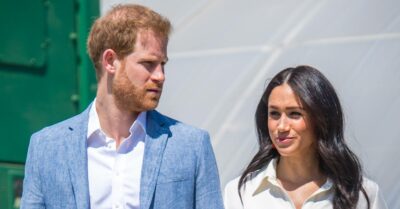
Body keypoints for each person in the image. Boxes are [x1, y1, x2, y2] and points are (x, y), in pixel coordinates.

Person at [21, 4, 224, 209]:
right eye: (148, 63)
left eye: (163, 64)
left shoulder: (191, 146)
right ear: (110, 61)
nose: (160, 76)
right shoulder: (47, 148)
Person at [224, 66, 387, 209]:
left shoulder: (361, 195)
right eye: (274, 114)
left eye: (294, 114)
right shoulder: (241, 193)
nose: (281, 126)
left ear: (321, 119)